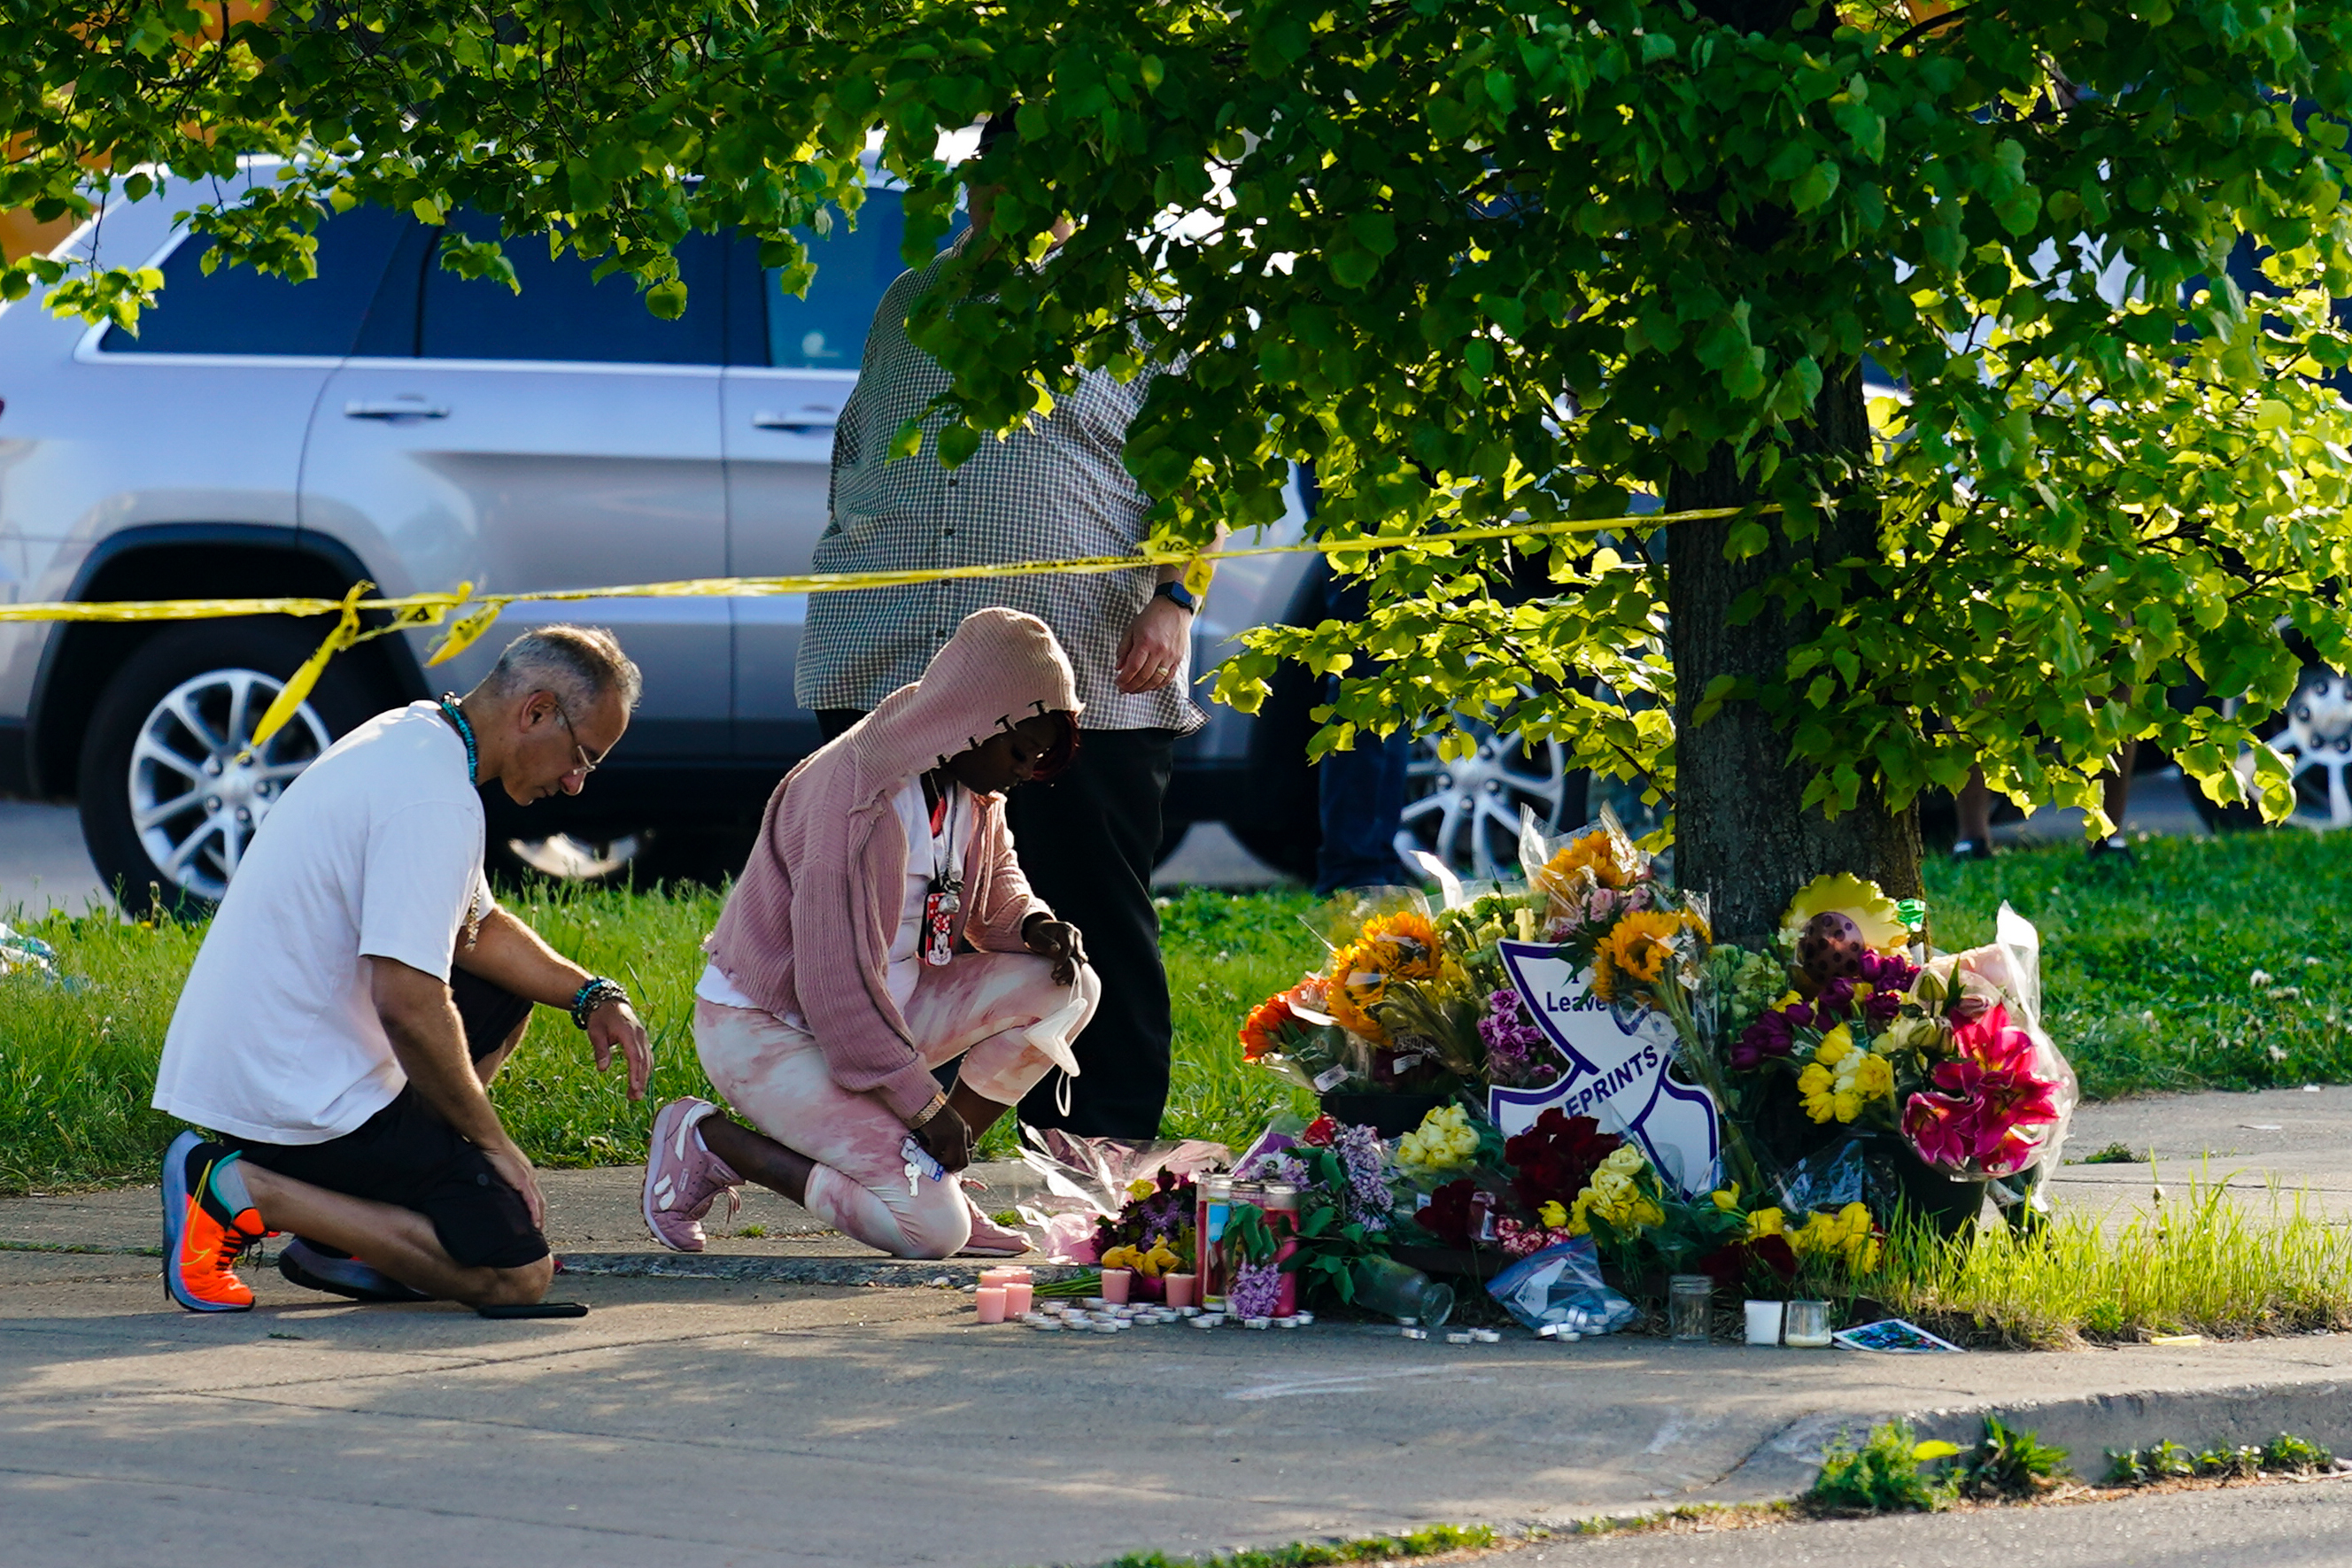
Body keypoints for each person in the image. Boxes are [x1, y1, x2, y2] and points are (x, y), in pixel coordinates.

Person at [794, 107, 1197, 1139]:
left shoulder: (1140, 309)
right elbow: (858, 445)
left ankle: (1104, 1140)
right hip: (893, 657)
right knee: (896, 908)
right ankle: (902, 1129)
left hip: (1077, 662)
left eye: (1034, 174)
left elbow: (1201, 465)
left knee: (1085, 905)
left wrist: (1175, 597)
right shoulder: (912, 300)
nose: (1001, 193)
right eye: (992, 170)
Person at [153, 627, 654, 1313]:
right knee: (515, 1275)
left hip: (268, 1069)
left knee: (506, 992)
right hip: (298, 1102)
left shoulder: (414, 738)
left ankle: (344, 1232)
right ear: (536, 711)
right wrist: (494, 1144)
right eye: (582, 756)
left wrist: (594, 994)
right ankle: (241, 1191)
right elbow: (408, 1005)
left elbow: (478, 932)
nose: (574, 783)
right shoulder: (434, 800)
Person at [646, 609, 1098, 1261]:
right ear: (976, 718)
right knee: (933, 1233)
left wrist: (1034, 923)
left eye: (1038, 758)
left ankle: (932, 1172)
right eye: (1021, 751)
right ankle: (714, 1142)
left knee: (1068, 984)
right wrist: (924, 1107)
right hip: (771, 1030)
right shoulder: (854, 794)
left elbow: (996, 885)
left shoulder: (968, 780)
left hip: (879, 1015)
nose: (1027, 770)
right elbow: (833, 990)